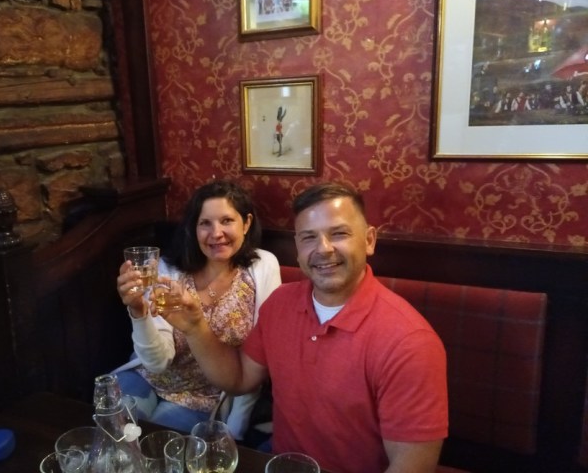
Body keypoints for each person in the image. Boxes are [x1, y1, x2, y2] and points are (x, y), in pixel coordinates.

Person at [161, 183, 448, 473]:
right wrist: (195, 326)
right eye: (309, 237)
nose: (323, 249)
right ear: (297, 248)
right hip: (280, 462)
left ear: (369, 240)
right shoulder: (280, 304)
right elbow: (238, 379)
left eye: (339, 233)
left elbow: (413, 466)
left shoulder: (410, 343)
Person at [113, 180, 281, 439]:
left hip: (204, 398)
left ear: (246, 223)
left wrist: (233, 432)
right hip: (148, 377)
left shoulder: (263, 267)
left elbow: (259, 357)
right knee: (116, 435)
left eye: (227, 221)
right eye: (205, 223)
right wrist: (138, 311)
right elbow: (157, 363)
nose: (216, 233)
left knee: (156, 447)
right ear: (194, 228)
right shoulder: (168, 270)